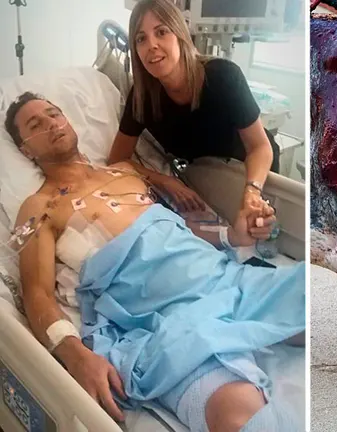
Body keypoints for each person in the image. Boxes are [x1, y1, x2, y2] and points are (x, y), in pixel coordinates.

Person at [5, 92, 305, 431]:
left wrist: (232, 237)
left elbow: (175, 227)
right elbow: (37, 295)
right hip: (163, 317)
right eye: (35, 124)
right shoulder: (39, 206)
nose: (51, 123)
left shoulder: (124, 172)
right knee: (238, 411)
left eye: (53, 113)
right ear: (26, 149)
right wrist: (77, 357)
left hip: (224, 279)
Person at [108, 0, 276, 231]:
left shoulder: (223, 77)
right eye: (141, 38)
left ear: (180, 34)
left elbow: (259, 147)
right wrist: (165, 182)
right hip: (206, 176)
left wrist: (253, 190)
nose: (152, 45)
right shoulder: (142, 97)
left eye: (161, 32)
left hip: (250, 167)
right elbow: (116, 161)